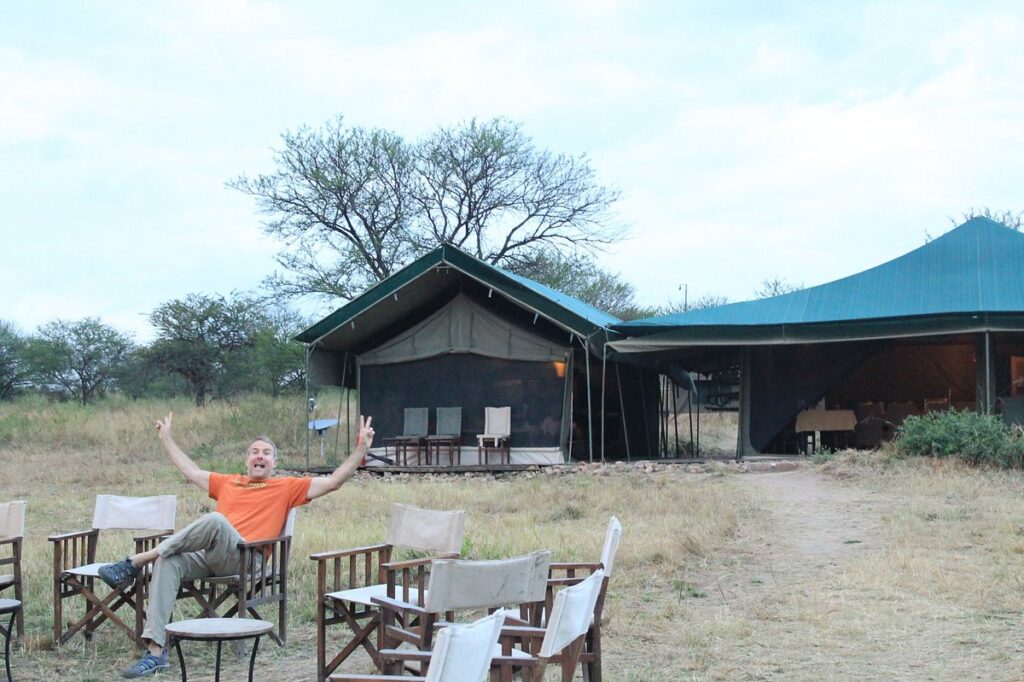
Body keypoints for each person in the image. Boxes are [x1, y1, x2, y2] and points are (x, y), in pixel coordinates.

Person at [99, 411, 375, 678]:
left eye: (266, 453)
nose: (260, 456)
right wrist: (167, 439)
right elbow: (190, 470)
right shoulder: (228, 482)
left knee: (217, 520)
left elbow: (334, 482)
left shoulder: (287, 486)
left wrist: (360, 449)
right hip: (212, 556)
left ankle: (135, 562)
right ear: (246, 460)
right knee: (168, 560)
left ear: (274, 463)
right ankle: (156, 652)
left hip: (246, 560)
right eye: (255, 451)